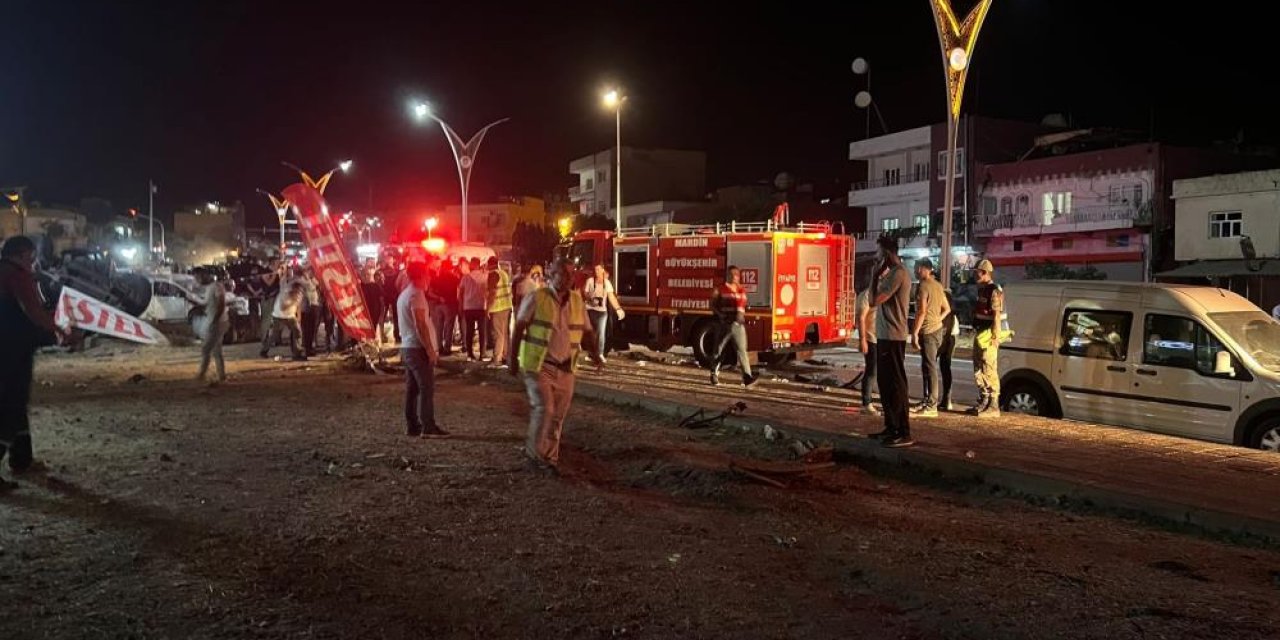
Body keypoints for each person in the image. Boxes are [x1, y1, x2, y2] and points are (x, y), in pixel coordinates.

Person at [509, 257, 602, 473]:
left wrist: (596, 354)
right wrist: (512, 360)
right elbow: (519, 327)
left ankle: (549, 459)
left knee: (557, 416)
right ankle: (535, 456)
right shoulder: (537, 297)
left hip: (566, 368)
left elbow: (587, 332)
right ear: (552, 274)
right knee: (545, 409)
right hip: (540, 366)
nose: (569, 278)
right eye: (564, 273)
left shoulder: (577, 301)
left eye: (571, 273)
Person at [0, 236, 67, 485]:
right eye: (30, 257)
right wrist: (58, 329)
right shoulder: (16, 275)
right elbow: (33, 310)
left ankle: (22, 459)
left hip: (9, 350)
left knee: (16, 405)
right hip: (12, 352)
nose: (32, 263)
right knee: (11, 408)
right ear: (20, 254)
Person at [867, 236, 913, 448]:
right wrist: (876, 276)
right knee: (885, 384)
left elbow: (875, 301)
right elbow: (870, 300)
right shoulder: (890, 274)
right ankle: (891, 426)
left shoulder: (899, 274)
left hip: (894, 337)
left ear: (886, 253)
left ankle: (903, 431)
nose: (876, 257)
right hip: (885, 336)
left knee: (895, 384)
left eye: (878, 252)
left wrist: (875, 275)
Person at [398, 262, 447, 438]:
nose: (429, 278)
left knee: (412, 389)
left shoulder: (405, 294)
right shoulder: (416, 295)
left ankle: (413, 426)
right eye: (427, 274)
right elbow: (420, 324)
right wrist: (430, 349)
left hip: (408, 346)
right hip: (417, 348)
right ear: (420, 275)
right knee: (426, 387)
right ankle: (428, 426)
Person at [910, 258, 950, 418]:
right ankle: (927, 400)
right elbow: (946, 308)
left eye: (915, 268)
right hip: (937, 330)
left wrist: (914, 332)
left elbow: (921, 312)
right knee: (927, 366)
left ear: (922, 268)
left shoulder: (924, 286)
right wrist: (938, 320)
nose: (914, 271)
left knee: (930, 367)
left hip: (928, 332)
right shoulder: (938, 286)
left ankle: (932, 405)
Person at [709, 265, 759, 387]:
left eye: (736, 275)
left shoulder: (741, 290)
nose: (734, 277)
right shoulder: (720, 289)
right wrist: (720, 315)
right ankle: (714, 374)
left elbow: (743, 307)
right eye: (731, 274)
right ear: (727, 275)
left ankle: (747, 377)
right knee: (719, 349)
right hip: (724, 324)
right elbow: (712, 305)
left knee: (742, 351)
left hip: (738, 325)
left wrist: (741, 316)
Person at [970, 259, 1004, 418]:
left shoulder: (994, 290)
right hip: (980, 333)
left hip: (988, 335)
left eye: (977, 272)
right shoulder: (982, 289)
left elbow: (996, 315)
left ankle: (993, 404)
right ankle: (983, 400)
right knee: (978, 367)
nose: (975, 274)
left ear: (984, 272)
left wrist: (995, 337)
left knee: (989, 367)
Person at [190, 268, 229, 385]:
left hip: (217, 322)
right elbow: (207, 303)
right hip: (216, 321)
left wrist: (215, 319)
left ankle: (202, 374)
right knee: (216, 350)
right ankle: (221, 375)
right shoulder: (209, 288)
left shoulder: (216, 286)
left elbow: (221, 303)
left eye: (198, 277)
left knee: (206, 348)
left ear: (205, 275)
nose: (197, 280)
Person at [583, 264, 625, 363]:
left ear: (603, 270)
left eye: (598, 269)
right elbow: (584, 293)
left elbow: (611, 297)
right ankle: (591, 354)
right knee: (591, 334)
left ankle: (600, 353)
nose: (596, 271)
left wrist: (618, 309)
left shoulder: (607, 283)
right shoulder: (590, 281)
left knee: (601, 333)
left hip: (602, 312)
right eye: (595, 269)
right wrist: (590, 299)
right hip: (590, 310)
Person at [263, 280, 306, 361]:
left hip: (290, 316)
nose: (300, 293)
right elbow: (283, 307)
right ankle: (264, 350)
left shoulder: (298, 295)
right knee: (274, 336)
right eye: (298, 291)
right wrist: (293, 301)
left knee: (297, 331)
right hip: (279, 315)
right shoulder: (285, 293)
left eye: (301, 292)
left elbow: (298, 305)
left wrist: (299, 317)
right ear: (294, 290)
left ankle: (297, 352)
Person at [855, 282, 879, 416]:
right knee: (872, 371)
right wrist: (862, 339)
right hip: (871, 338)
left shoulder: (883, 293)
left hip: (881, 337)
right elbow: (861, 317)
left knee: (878, 371)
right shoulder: (867, 295)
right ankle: (867, 402)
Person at [458, 256, 489, 361]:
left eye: (471, 263)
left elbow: (460, 293)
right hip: (481, 307)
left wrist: (461, 306)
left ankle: (470, 354)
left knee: (469, 332)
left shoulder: (466, 277)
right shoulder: (485, 276)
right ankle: (482, 354)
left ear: (474, 264)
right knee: (482, 332)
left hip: (469, 307)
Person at [486, 257, 514, 368]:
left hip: (497, 308)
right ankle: (505, 357)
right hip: (507, 306)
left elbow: (493, 293)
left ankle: (496, 359)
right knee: (505, 334)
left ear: (489, 265)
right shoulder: (504, 274)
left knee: (498, 334)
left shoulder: (492, 274)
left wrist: (488, 308)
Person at [430, 260, 461, 356]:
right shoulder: (454, 278)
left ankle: (439, 347)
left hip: (438, 305)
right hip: (450, 305)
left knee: (438, 327)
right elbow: (459, 291)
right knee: (449, 328)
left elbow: (430, 292)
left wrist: (438, 298)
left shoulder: (436, 278)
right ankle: (447, 348)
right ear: (450, 268)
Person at [938, 290, 960, 411]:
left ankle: (943, 399)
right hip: (950, 333)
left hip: (948, 334)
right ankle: (946, 399)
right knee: (945, 366)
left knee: (942, 365)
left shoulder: (942, 296)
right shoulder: (951, 310)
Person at [257, 261, 282, 353]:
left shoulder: (277, 272)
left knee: (276, 320)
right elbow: (269, 283)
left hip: (276, 298)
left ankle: (275, 339)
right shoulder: (265, 272)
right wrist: (275, 273)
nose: (278, 265)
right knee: (266, 320)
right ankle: (264, 339)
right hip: (268, 299)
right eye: (276, 263)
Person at [300, 268, 322, 357]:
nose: (311, 273)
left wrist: (312, 279)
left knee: (313, 328)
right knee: (307, 330)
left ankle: (311, 348)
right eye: (308, 271)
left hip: (315, 305)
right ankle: (307, 348)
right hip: (306, 307)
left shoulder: (313, 279)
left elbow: (318, 285)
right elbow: (308, 287)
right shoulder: (302, 281)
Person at [380, 256, 402, 344]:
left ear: (393, 260)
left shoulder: (397, 271)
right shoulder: (382, 272)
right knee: (382, 316)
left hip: (394, 296)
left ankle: (396, 335)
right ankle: (380, 335)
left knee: (396, 317)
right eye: (387, 259)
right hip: (385, 296)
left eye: (390, 259)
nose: (388, 260)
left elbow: (398, 284)